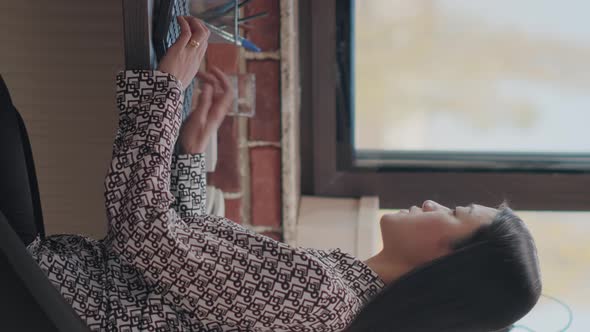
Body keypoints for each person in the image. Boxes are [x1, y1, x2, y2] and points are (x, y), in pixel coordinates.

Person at [24, 15, 541, 331]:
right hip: (52, 284)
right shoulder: (339, 291)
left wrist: (162, 96)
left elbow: (140, 235)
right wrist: (193, 148)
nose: (432, 203)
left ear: (446, 265)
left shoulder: (323, 298)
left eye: (452, 214)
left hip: (44, 290)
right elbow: (177, 250)